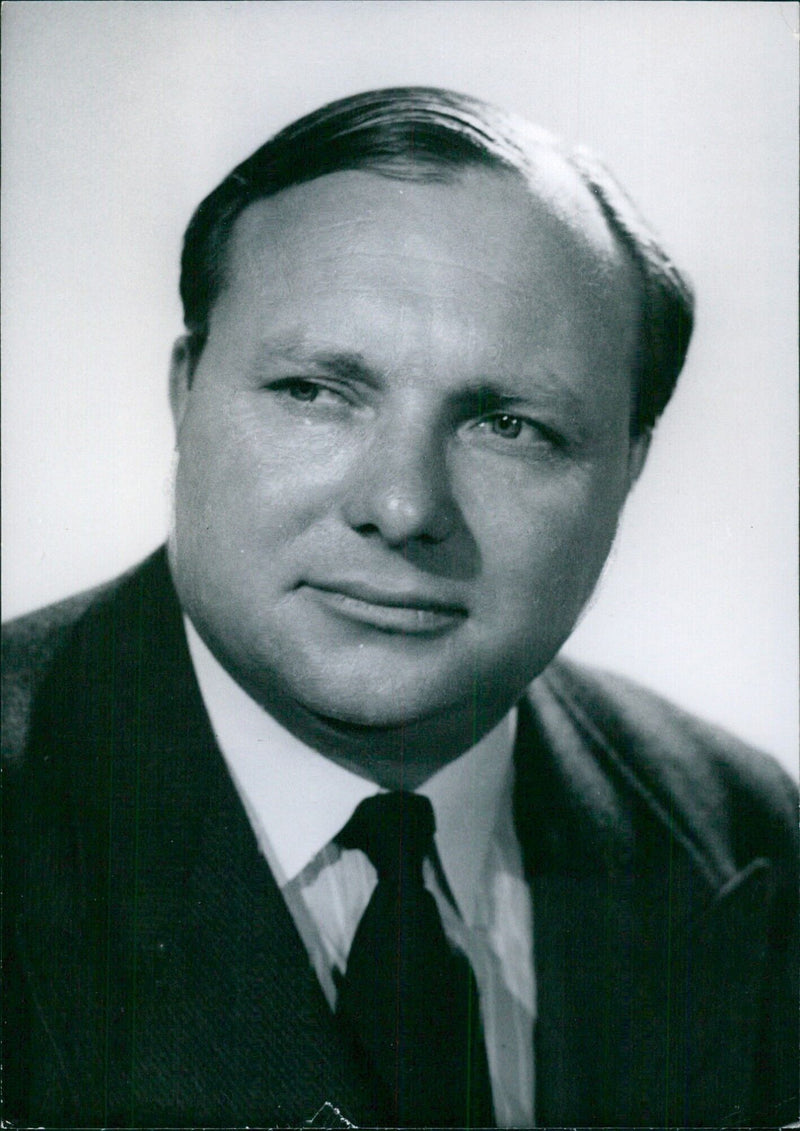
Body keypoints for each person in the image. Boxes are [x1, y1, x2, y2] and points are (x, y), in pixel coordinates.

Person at [3, 87, 797, 1130]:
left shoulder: (746, 833)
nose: (401, 506)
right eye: (315, 393)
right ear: (184, 395)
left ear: (628, 468)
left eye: (509, 425)